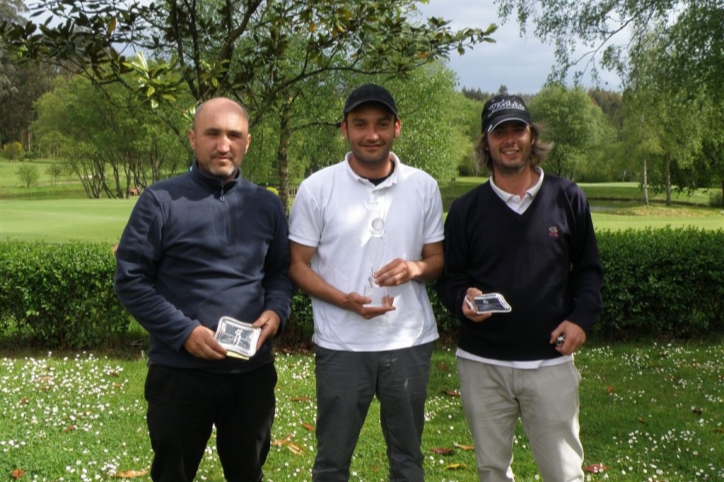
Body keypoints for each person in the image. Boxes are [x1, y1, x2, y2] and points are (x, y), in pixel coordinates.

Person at [114, 97, 294, 482]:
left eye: (233, 135)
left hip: (250, 374)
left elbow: (280, 272)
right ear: (193, 138)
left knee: (248, 472)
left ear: (247, 142)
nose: (223, 144)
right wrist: (184, 333)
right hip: (179, 374)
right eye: (212, 133)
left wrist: (277, 311)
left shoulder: (266, 204)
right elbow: (131, 278)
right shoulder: (159, 201)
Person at [435, 94, 604, 482]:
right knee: (492, 471)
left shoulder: (567, 197)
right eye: (500, 132)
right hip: (483, 364)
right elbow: (450, 279)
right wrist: (463, 300)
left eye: (518, 129)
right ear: (486, 141)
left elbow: (589, 271)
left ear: (532, 136)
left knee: (563, 473)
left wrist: (580, 319)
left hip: (550, 362)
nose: (509, 140)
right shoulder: (466, 209)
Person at [288, 84, 444, 482]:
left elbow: (437, 261)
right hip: (342, 344)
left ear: (397, 128)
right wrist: (343, 300)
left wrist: (413, 269)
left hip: (408, 340)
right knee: (331, 463)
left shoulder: (422, 185)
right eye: (360, 124)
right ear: (344, 129)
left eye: (381, 124)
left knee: (408, 461)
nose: (371, 134)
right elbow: (297, 266)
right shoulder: (317, 188)